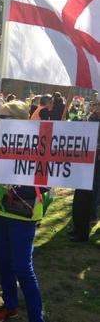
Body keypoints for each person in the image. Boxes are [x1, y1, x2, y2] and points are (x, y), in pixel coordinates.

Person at [0, 100, 46, 322]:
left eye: (4, 118)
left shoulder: (35, 144)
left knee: (22, 266)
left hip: (23, 212)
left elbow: (46, 179)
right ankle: (10, 304)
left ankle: (35, 317)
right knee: (3, 261)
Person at [70, 100, 100, 242]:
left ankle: (82, 232)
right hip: (84, 161)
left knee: (87, 197)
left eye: (97, 105)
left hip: (94, 164)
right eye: (95, 105)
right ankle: (77, 227)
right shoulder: (92, 118)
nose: (94, 107)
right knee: (79, 196)